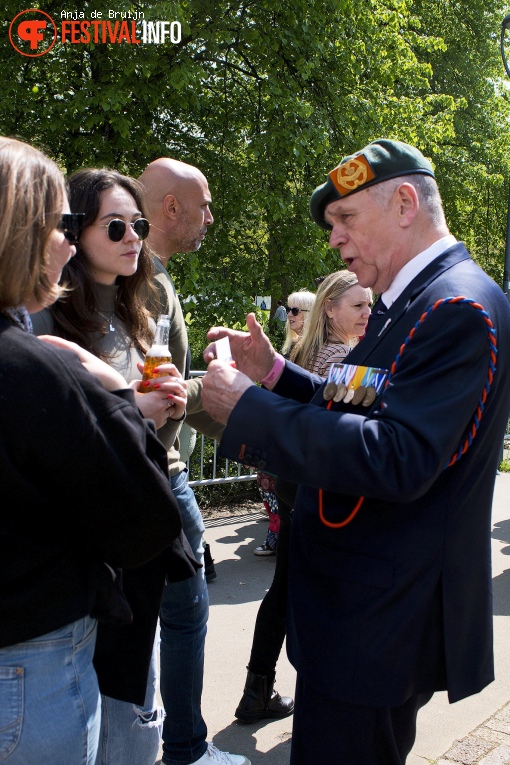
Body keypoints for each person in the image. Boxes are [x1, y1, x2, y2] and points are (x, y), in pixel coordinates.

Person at [200, 138, 510, 764]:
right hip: (361, 610)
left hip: (379, 621)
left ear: (403, 203)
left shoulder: (458, 307)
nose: (335, 239)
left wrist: (249, 410)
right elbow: (364, 399)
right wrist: (277, 375)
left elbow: (400, 455)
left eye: (345, 220)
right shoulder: (418, 300)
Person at [0, 140, 183, 765]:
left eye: (140, 226)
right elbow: (142, 520)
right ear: (19, 233)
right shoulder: (37, 359)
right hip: (35, 649)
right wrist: (114, 397)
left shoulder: (141, 309)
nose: (69, 244)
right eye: (61, 224)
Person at [138, 158, 248, 765]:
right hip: (159, 476)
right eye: (202, 205)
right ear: (170, 208)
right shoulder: (145, 280)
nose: (211, 218)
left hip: (149, 474)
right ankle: (183, 747)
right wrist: (233, 395)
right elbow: (162, 391)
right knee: (182, 616)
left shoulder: (136, 276)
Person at [234, 271, 371, 723]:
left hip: (296, 487)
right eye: (358, 306)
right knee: (321, 597)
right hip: (324, 495)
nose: (367, 313)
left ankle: (258, 689)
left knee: (286, 589)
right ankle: (311, 698)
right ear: (329, 310)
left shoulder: (303, 350)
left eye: (369, 305)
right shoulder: (343, 359)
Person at [281, 289, 315, 361]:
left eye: (294, 311)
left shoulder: (315, 347)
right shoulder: (292, 344)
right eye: (288, 310)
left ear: (310, 314)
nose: (289, 314)